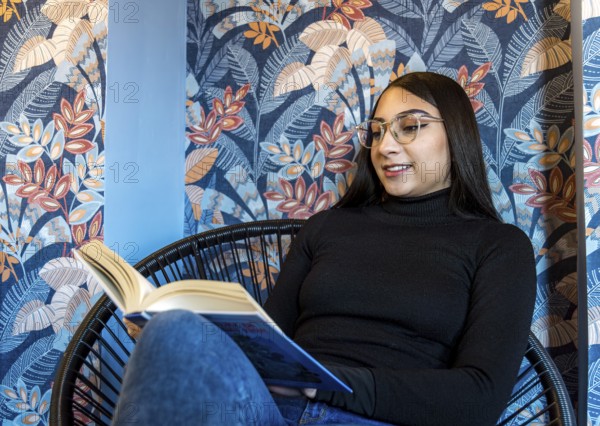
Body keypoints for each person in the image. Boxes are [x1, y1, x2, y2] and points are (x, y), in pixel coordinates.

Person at [112, 72, 536, 425]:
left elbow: (480, 396)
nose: (386, 147)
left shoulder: (497, 247)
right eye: (378, 131)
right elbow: (269, 342)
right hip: (269, 412)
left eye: (410, 126)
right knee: (174, 332)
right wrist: (180, 333)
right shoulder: (328, 227)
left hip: (376, 418)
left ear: (456, 133)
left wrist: (330, 384)